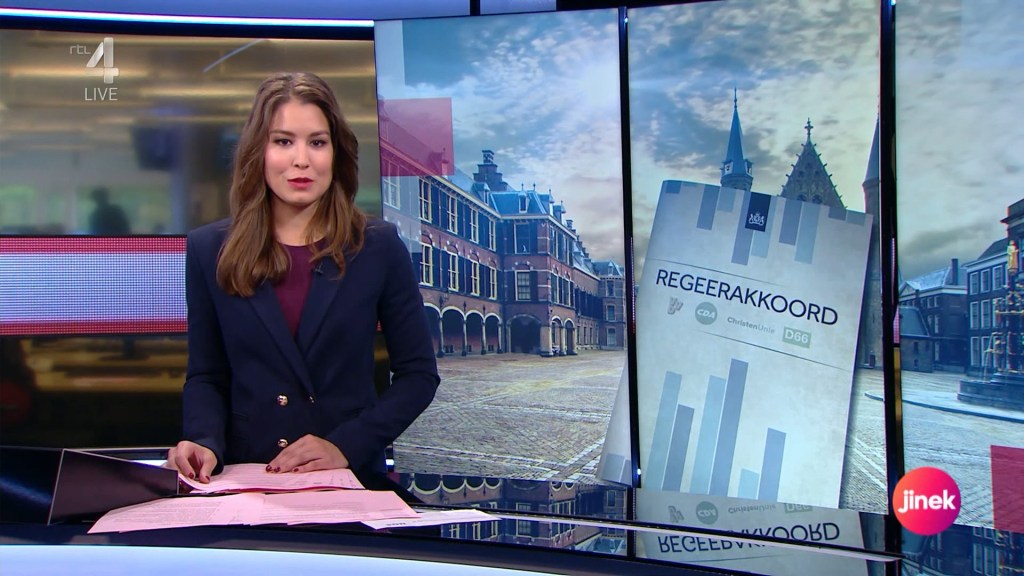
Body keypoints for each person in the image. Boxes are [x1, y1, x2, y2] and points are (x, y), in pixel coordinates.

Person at [167, 72, 439, 482]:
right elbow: (207, 374)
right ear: (258, 151)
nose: (301, 160)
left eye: (317, 142)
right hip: (246, 477)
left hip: (347, 478)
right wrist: (202, 439)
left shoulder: (377, 246)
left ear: (336, 153)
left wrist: (346, 445)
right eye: (283, 142)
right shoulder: (209, 249)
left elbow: (418, 376)